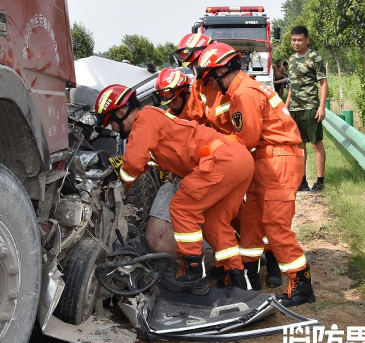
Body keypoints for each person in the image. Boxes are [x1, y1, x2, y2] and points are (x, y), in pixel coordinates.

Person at [94, 84, 254, 294]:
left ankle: (193, 274)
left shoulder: (143, 121)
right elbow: (174, 151)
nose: (113, 130)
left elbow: (132, 164)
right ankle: (239, 281)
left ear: (121, 113)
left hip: (221, 159)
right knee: (215, 223)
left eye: (110, 123)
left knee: (182, 207)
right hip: (238, 159)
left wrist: (121, 183)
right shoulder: (154, 117)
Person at [194, 42, 316, 306]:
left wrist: (211, 145)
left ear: (223, 70)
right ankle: (246, 276)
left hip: (277, 160)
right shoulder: (244, 89)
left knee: (275, 226)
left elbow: (246, 138)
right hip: (266, 159)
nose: (213, 84)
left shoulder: (244, 93)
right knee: (251, 221)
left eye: (213, 78)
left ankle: (301, 282)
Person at [172, 33, 282, 288]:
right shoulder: (201, 85)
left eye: (195, 63)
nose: (194, 70)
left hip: (247, 154)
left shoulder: (233, 84)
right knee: (230, 215)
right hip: (225, 157)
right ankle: (232, 267)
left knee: (257, 214)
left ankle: (272, 259)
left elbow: (247, 131)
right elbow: (194, 118)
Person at [285, 26, 327, 192]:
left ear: (307, 40)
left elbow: (323, 83)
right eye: (294, 40)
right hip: (295, 108)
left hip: (310, 106)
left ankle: (320, 181)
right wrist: (286, 106)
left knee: (316, 144)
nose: (296, 43)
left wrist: (321, 106)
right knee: (299, 145)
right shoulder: (292, 59)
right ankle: (302, 181)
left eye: (299, 40)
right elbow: (292, 86)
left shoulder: (314, 57)